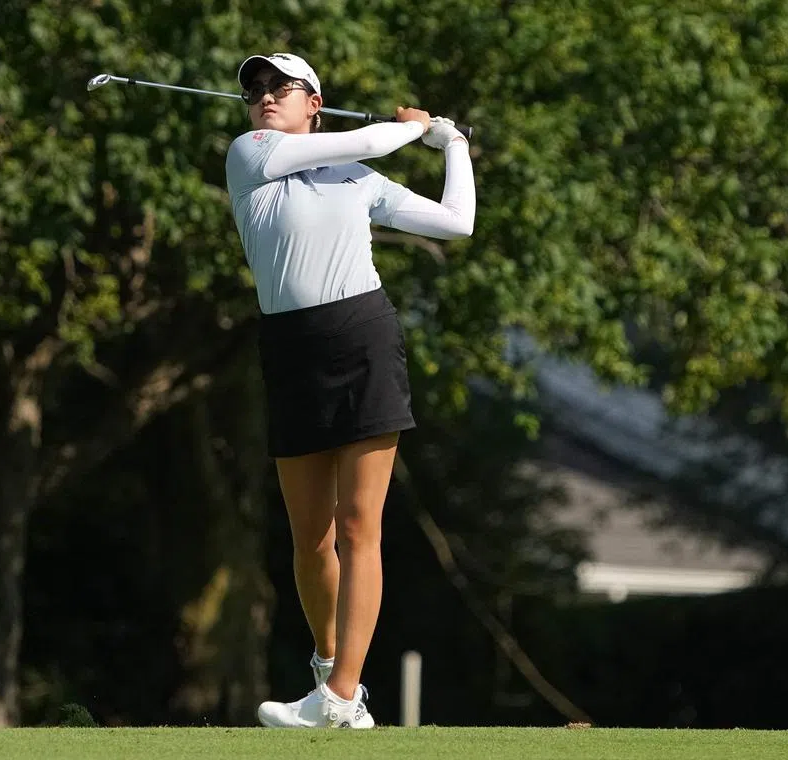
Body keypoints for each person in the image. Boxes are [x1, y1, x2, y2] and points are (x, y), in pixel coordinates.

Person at [224, 52, 475, 729]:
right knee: (312, 538)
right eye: (255, 90)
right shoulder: (251, 153)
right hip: (289, 349)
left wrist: (452, 144)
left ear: (316, 102)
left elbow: (457, 221)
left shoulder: (358, 180)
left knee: (362, 526)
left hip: (362, 337)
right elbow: (368, 137)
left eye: (282, 87)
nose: (265, 97)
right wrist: (414, 130)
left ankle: (339, 693)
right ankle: (330, 671)